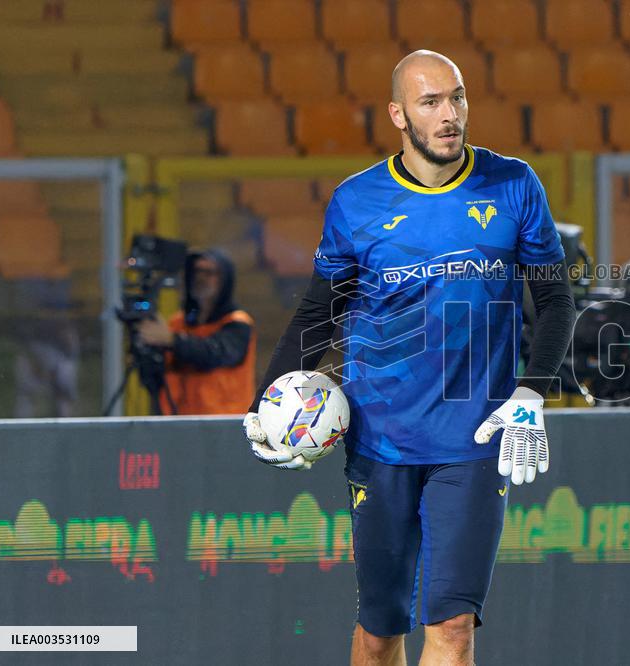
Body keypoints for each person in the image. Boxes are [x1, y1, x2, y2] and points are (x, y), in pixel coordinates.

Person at [243, 51, 575, 666]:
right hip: (379, 442)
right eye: (431, 102)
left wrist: (529, 394)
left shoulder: (513, 184)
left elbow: (556, 299)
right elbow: (321, 310)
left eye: (458, 97)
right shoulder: (356, 201)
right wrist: (264, 401)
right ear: (398, 114)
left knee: (452, 629)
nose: (450, 115)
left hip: (473, 440)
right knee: (379, 633)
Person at [137, 249, 256, 415]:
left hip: (224, 423)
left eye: (209, 272)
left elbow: (214, 353)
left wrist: (172, 340)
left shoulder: (237, 323)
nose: (201, 278)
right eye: (197, 271)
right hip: (182, 422)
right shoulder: (178, 323)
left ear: (224, 280)